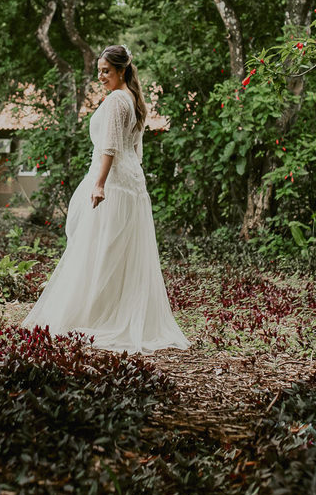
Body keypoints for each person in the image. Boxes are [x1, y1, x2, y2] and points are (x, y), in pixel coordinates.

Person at [21, 45, 190, 353]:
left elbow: (110, 147)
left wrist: (99, 184)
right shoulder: (133, 99)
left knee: (100, 247)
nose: (100, 77)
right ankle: (112, 311)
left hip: (113, 182)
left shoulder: (115, 101)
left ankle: (96, 315)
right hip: (131, 181)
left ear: (121, 71)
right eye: (99, 71)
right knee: (117, 250)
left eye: (106, 71)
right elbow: (135, 149)